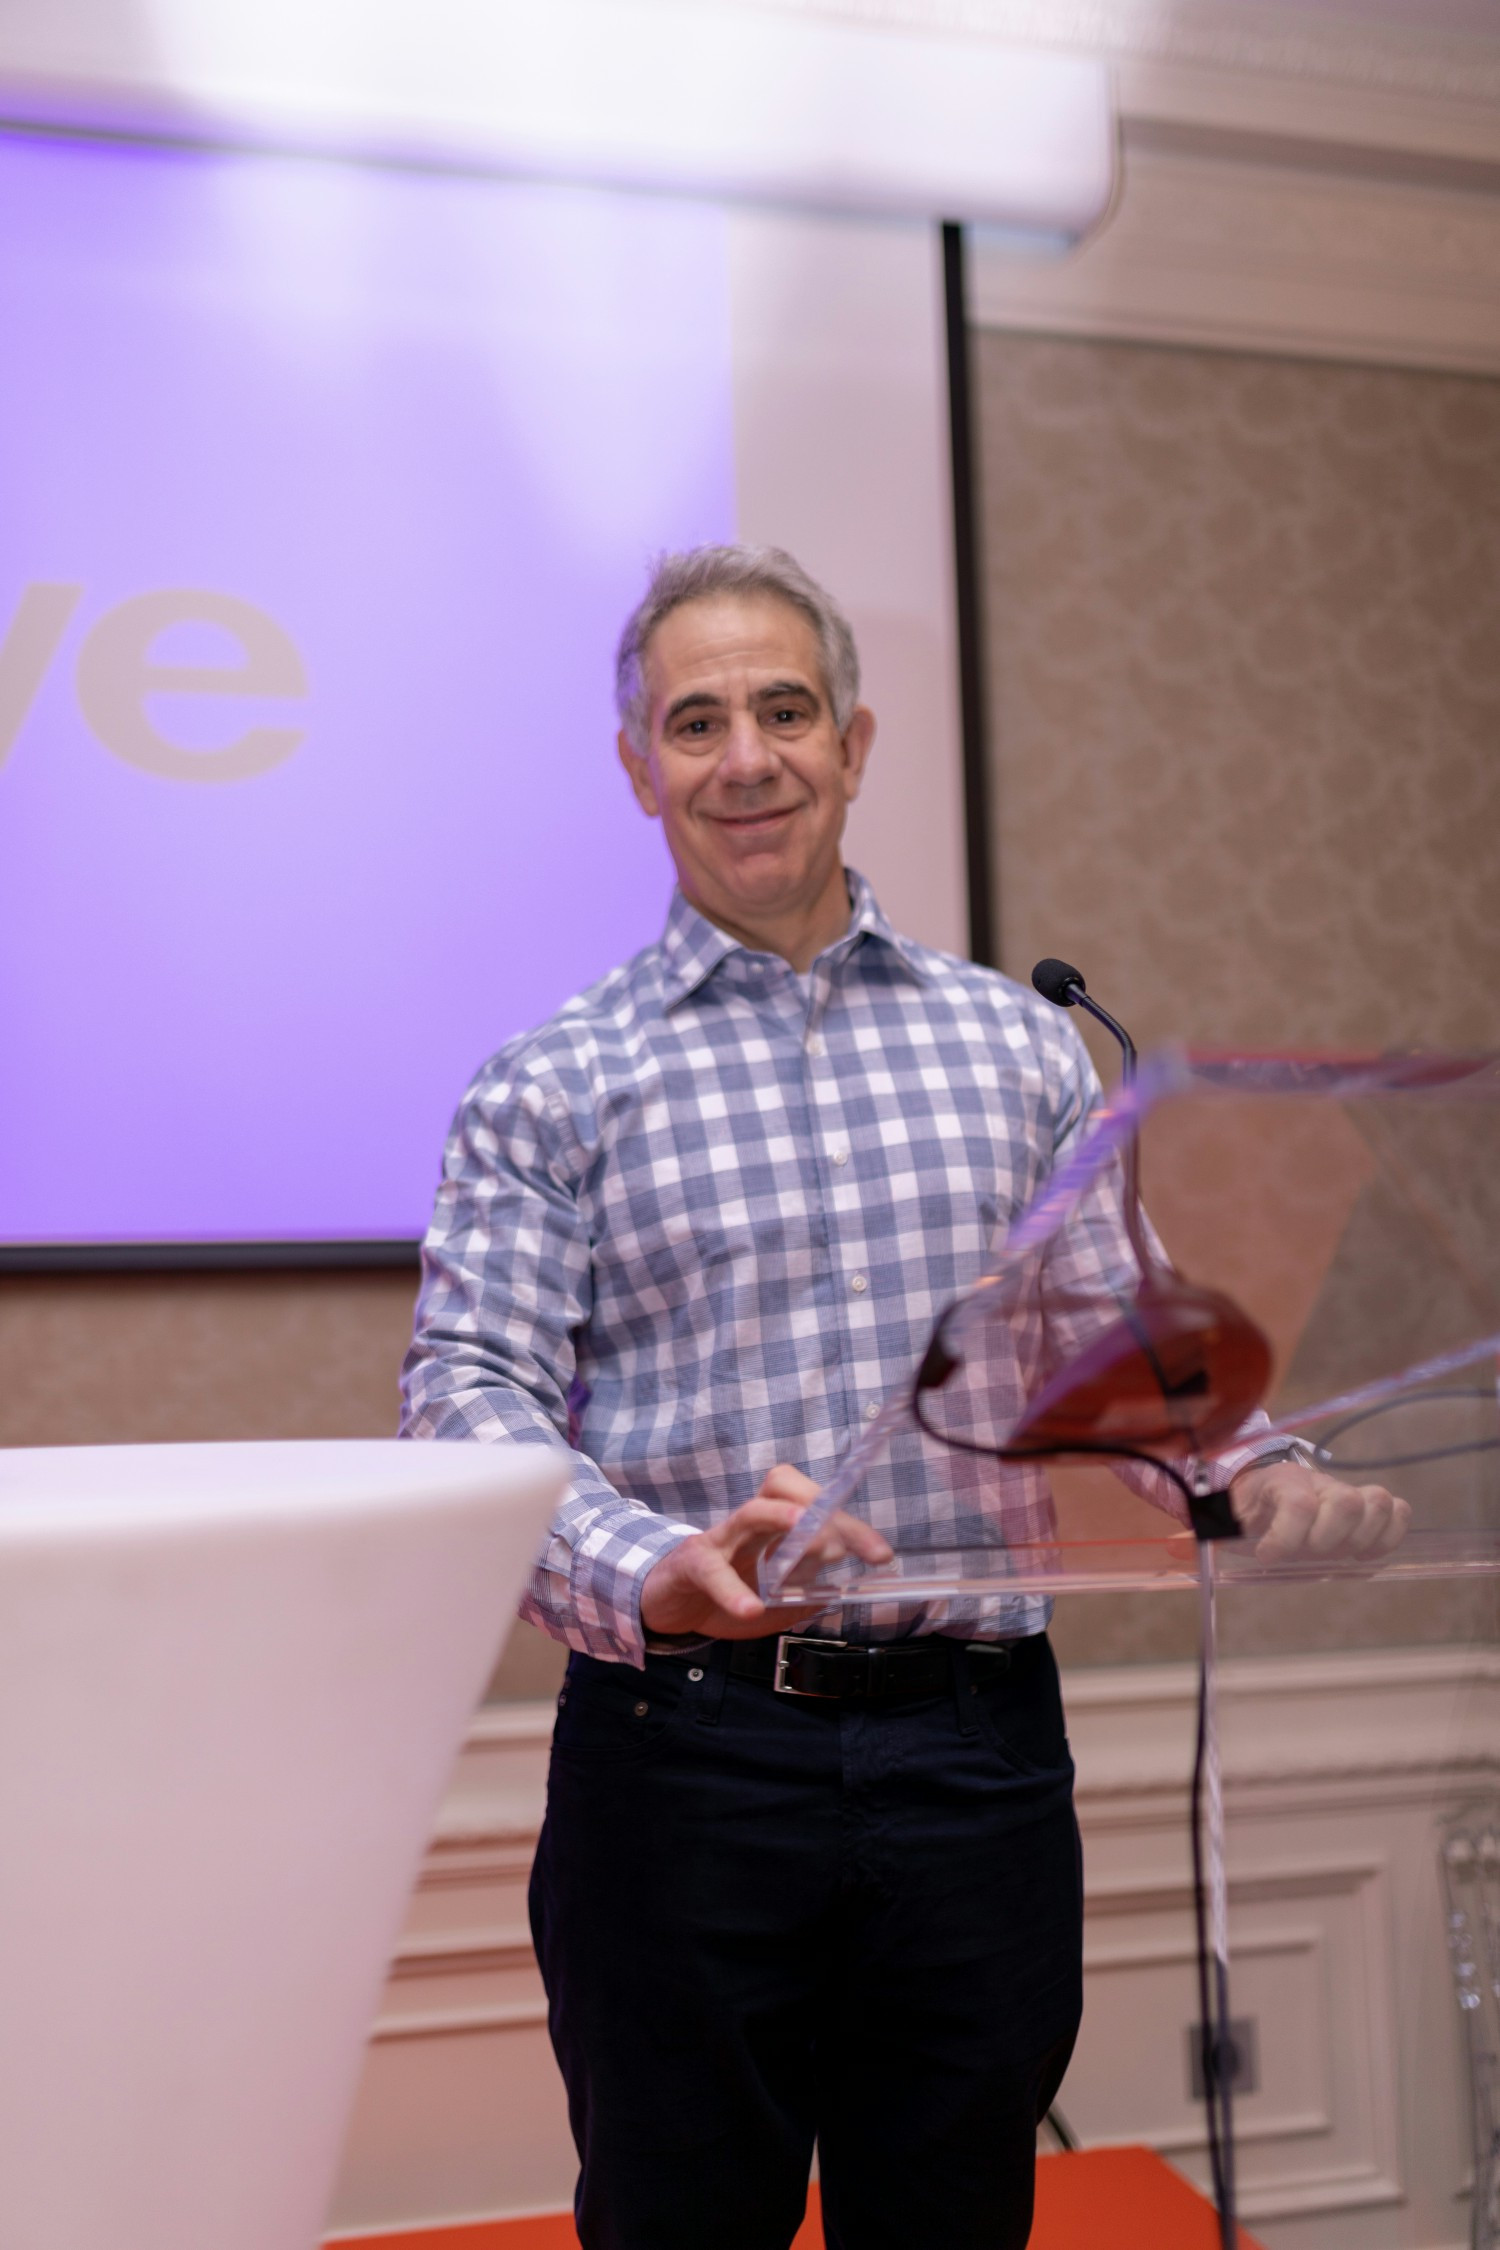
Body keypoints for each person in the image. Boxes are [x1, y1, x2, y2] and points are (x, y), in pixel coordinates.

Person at [400, 546, 1405, 2250]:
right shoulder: (549, 1081)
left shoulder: (1018, 1047)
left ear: (854, 743)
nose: (746, 757)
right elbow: (466, 1393)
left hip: (974, 1755)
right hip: (684, 1758)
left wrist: (1266, 1468)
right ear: (638, 769)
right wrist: (646, 1563)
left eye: (784, 709)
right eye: (695, 721)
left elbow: (1123, 1349)